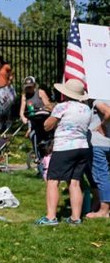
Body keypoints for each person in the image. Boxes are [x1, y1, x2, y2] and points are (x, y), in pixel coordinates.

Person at [37, 79, 93, 226]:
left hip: (64, 147)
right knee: (74, 183)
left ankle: (51, 217)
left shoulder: (62, 107)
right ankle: (75, 218)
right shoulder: (86, 109)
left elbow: (47, 126)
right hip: (82, 147)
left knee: (53, 181)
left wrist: (51, 116)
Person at [0, 55, 15, 130]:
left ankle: (8, 122)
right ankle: (0, 123)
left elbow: (11, 74)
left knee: (7, 106)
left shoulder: (5, 66)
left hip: (5, 88)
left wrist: (9, 80)